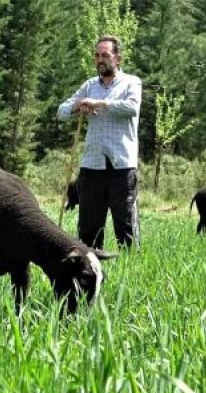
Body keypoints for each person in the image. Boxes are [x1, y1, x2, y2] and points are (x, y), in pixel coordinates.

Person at [57, 34, 142, 250]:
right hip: (92, 165)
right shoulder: (88, 85)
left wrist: (99, 103)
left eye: (105, 55)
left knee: (125, 227)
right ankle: (91, 273)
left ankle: (129, 271)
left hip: (121, 165)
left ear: (118, 58)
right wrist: (78, 107)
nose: (100, 59)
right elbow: (62, 111)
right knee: (88, 229)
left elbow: (131, 108)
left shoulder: (131, 82)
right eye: (97, 55)